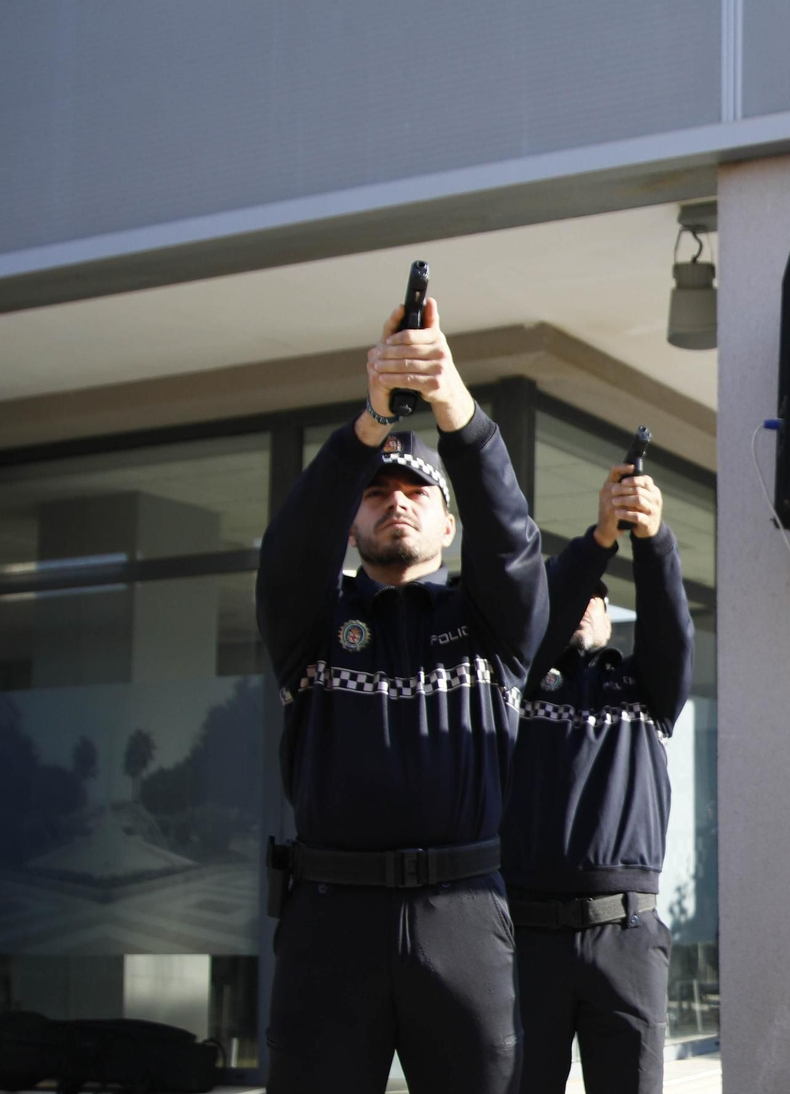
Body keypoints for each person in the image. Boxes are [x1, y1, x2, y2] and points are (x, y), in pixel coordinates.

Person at [255, 297, 548, 1093]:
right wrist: (368, 424)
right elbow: (287, 557)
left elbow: (515, 546)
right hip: (329, 923)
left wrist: (457, 408)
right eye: (378, 492)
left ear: (448, 525)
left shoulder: (490, 627)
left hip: (463, 919)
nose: (397, 500)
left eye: (418, 492)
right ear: (352, 526)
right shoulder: (314, 626)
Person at [500, 465, 694, 1094]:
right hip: (527, 937)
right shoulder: (516, 685)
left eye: (598, 599)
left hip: (627, 937)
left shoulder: (645, 689)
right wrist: (601, 539)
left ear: (612, 620)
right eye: (576, 595)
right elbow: (541, 617)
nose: (585, 605)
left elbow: (672, 627)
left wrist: (651, 536)